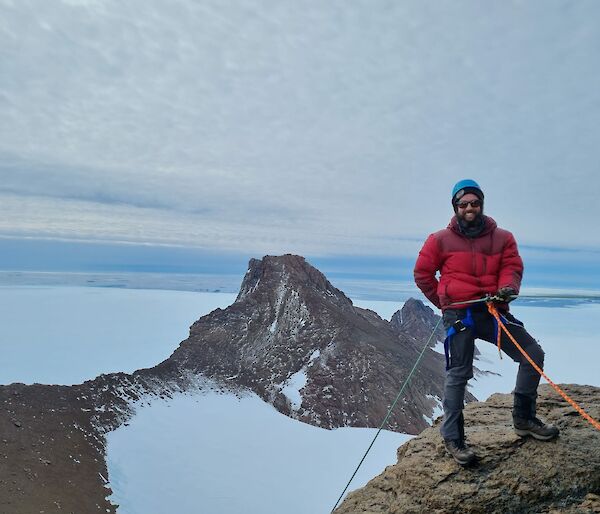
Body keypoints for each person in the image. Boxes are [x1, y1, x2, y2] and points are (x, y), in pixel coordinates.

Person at [414, 179, 559, 466]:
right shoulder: (439, 239)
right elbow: (423, 274)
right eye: (463, 204)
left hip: (493, 311)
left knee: (532, 354)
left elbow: (512, 267)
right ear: (456, 207)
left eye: (474, 203)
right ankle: (453, 438)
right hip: (461, 315)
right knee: (459, 374)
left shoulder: (502, 237)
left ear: (481, 204)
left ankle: (524, 419)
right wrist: (445, 303)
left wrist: (508, 288)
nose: (469, 208)